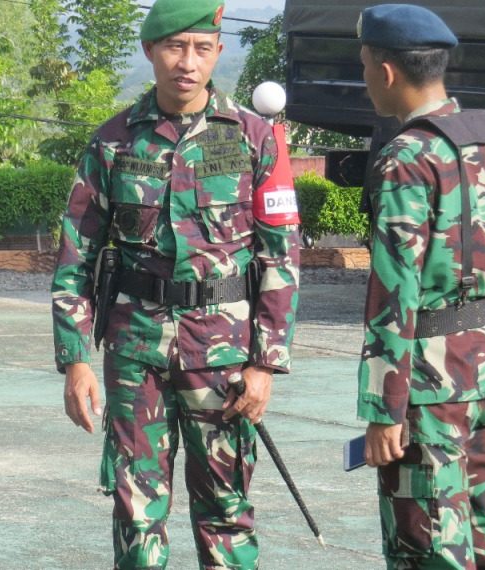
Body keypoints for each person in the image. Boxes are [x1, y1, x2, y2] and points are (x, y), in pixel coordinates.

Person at [51, 0, 301, 567]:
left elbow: (280, 258)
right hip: (136, 348)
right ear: (150, 51)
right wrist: (75, 359)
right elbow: (76, 256)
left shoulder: (256, 138)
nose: (188, 62)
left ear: (217, 53)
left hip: (226, 355)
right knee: (136, 512)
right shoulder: (114, 142)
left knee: (226, 510)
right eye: (175, 47)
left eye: (202, 48)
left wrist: (265, 364)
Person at [356, 4, 485, 569]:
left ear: (385, 71)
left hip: (428, 390)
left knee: (427, 545)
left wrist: (384, 407)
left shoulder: (405, 160)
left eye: (364, 66)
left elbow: (394, 293)